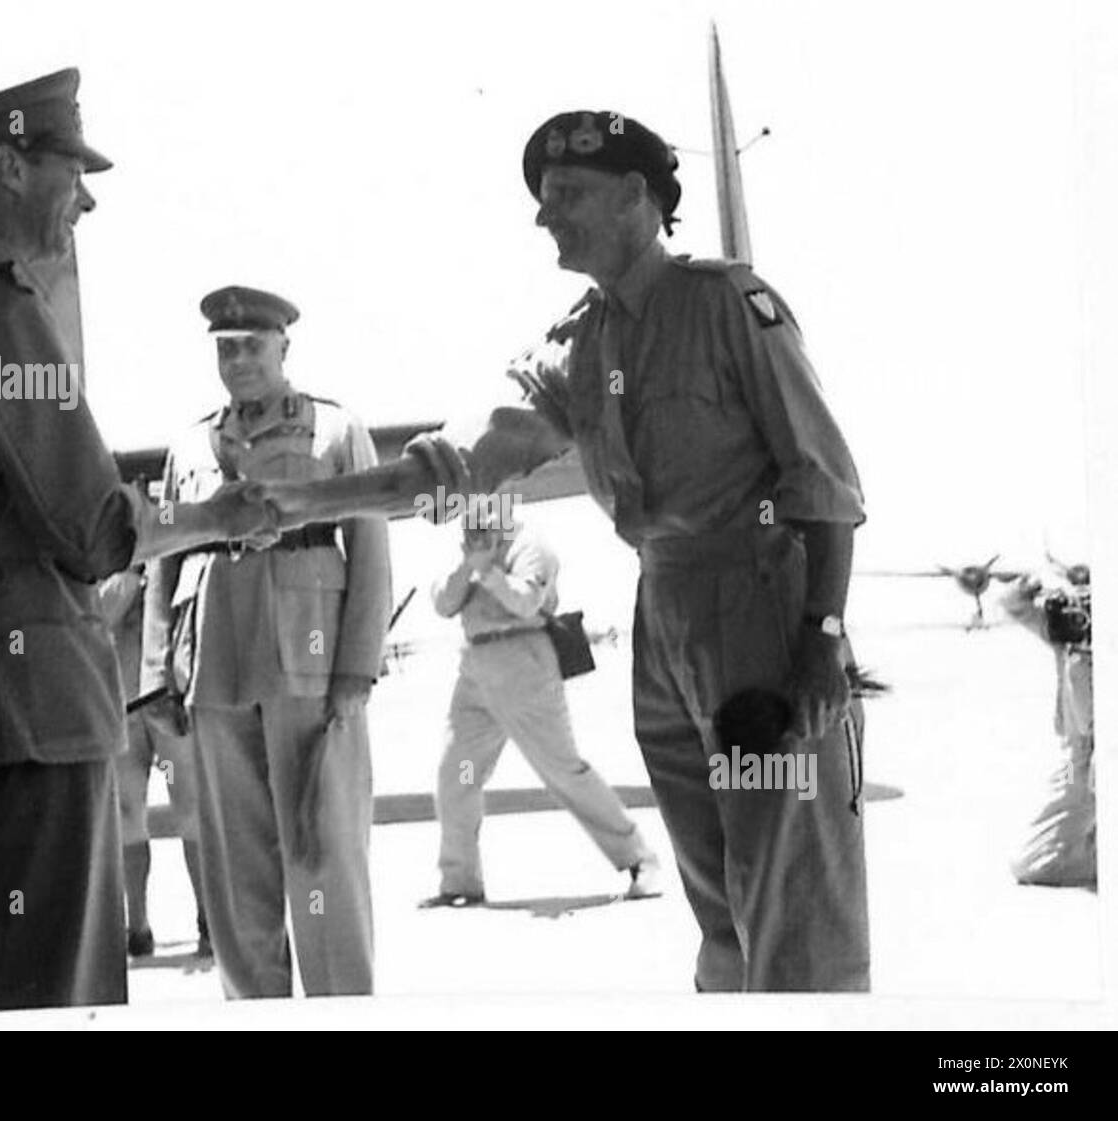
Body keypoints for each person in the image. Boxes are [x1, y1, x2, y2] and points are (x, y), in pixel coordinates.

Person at [258, 110, 869, 991]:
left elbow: (827, 484)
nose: (547, 217)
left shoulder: (730, 305)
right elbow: (467, 458)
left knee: (795, 907)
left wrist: (823, 637)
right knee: (721, 909)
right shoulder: (580, 343)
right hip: (666, 618)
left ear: (637, 199)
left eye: (568, 196)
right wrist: (304, 501)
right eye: (543, 201)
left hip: (763, 613)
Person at [0, 69, 275, 1014]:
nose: (83, 195)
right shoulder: (0, 311)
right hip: (21, 716)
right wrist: (213, 517)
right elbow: (92, 528)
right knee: (49, 996)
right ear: (7, 166)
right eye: (67, 169)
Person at [140, 286, 391, 998]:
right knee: (235, 870)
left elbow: (370, 550)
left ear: (285, 348)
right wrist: (157, 673)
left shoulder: (335, 431)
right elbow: (165, 556)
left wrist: (355, 673)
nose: (240, 359)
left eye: (253, 344)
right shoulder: (191, 443)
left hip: (308, 667)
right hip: (215, 668)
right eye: (227, 347)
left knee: (323, 857)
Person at [424, 505, 658, 906]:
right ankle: (459, 880)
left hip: (523, 664)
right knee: (457, 773)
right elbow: (444, 603)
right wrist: (468, 565)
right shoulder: (470, 546)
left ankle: (637, 858)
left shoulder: (531, 546)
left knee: (561, 769)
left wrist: (489, 573)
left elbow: (527, 602)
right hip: (475, 669)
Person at [98, 565, 209, 957]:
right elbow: (97, 610)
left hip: (168, 691)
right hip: (121, 695)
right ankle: (137, 925)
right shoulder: (102, 534)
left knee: (191, 806)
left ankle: (206, 919)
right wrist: (129, 580)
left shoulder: (171, 514)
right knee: (127, 811)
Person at [1001, 573, 1095, 889]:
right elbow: (1014, 606)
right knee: (1029, 860)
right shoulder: (1067, 637)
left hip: (1097, 757)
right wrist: (1026, 587)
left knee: (1034, 862)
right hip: (1076, 759)